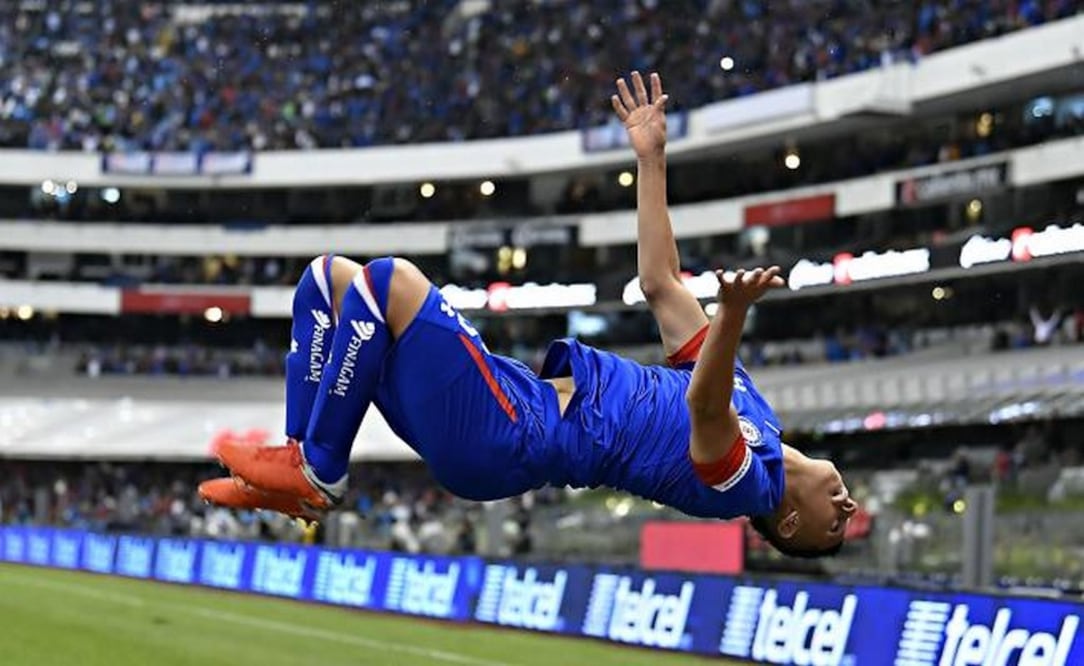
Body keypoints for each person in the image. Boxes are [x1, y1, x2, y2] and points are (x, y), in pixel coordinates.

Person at [200, 72, 857, 557]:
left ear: (788, 524)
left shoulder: (748, 488)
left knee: (388, 281)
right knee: (326, 282)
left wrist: (732, 317)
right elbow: (660, 284)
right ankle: (299, 463)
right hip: (517, 402)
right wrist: (651, 159)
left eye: (836, 524)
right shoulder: (759, 412)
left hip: (513, 436)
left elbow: (705, 411)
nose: (848, 505)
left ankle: (319, 472)